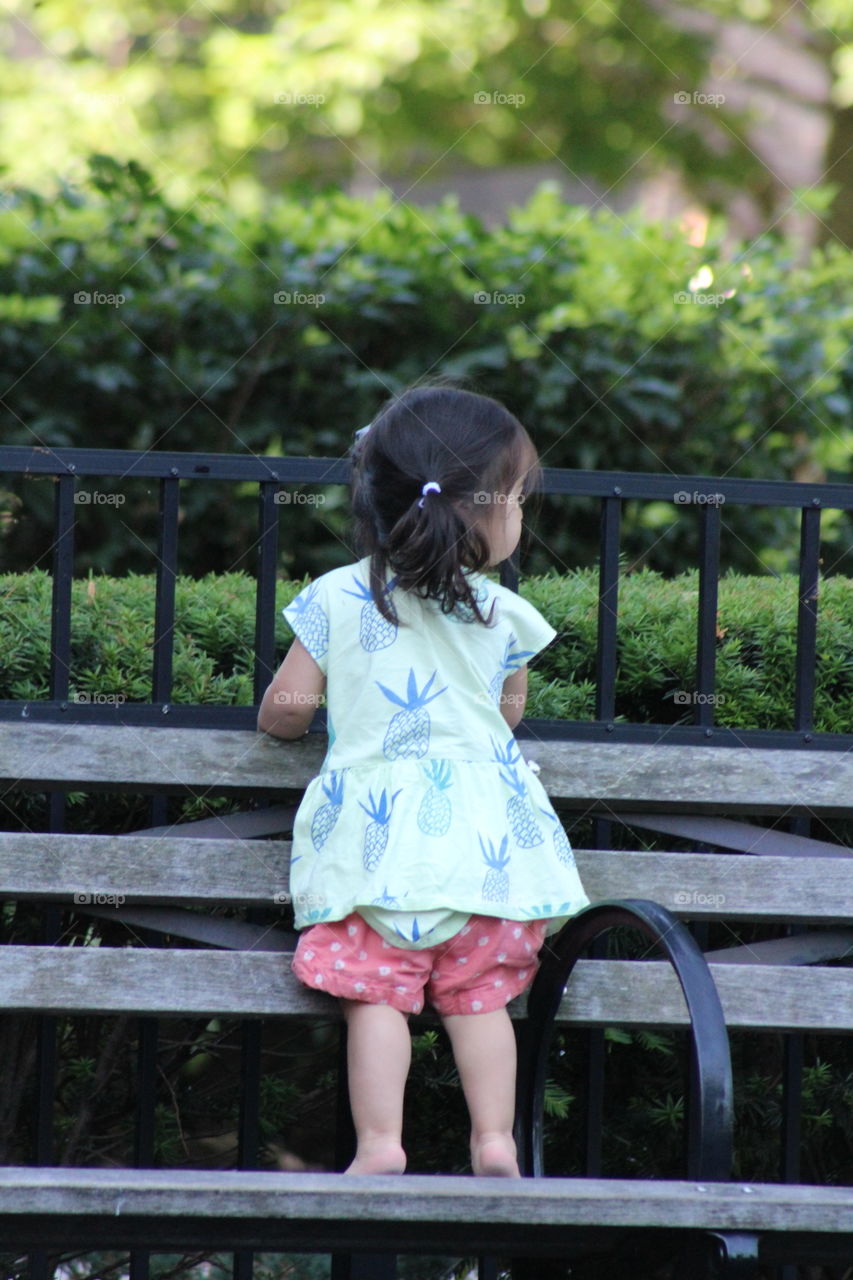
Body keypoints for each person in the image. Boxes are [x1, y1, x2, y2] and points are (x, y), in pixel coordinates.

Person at [257, 383, 590, 1178]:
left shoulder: (338, 596)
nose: (520, 515)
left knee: (375, 996)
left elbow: (284, 714)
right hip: (489, 855)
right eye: (516, 499)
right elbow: (505, 713)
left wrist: (308, 712)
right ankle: (493, 1140)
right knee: (481, 999)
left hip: (377, 849)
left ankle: (380, 1144)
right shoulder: (498, 613)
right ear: (481, 512)